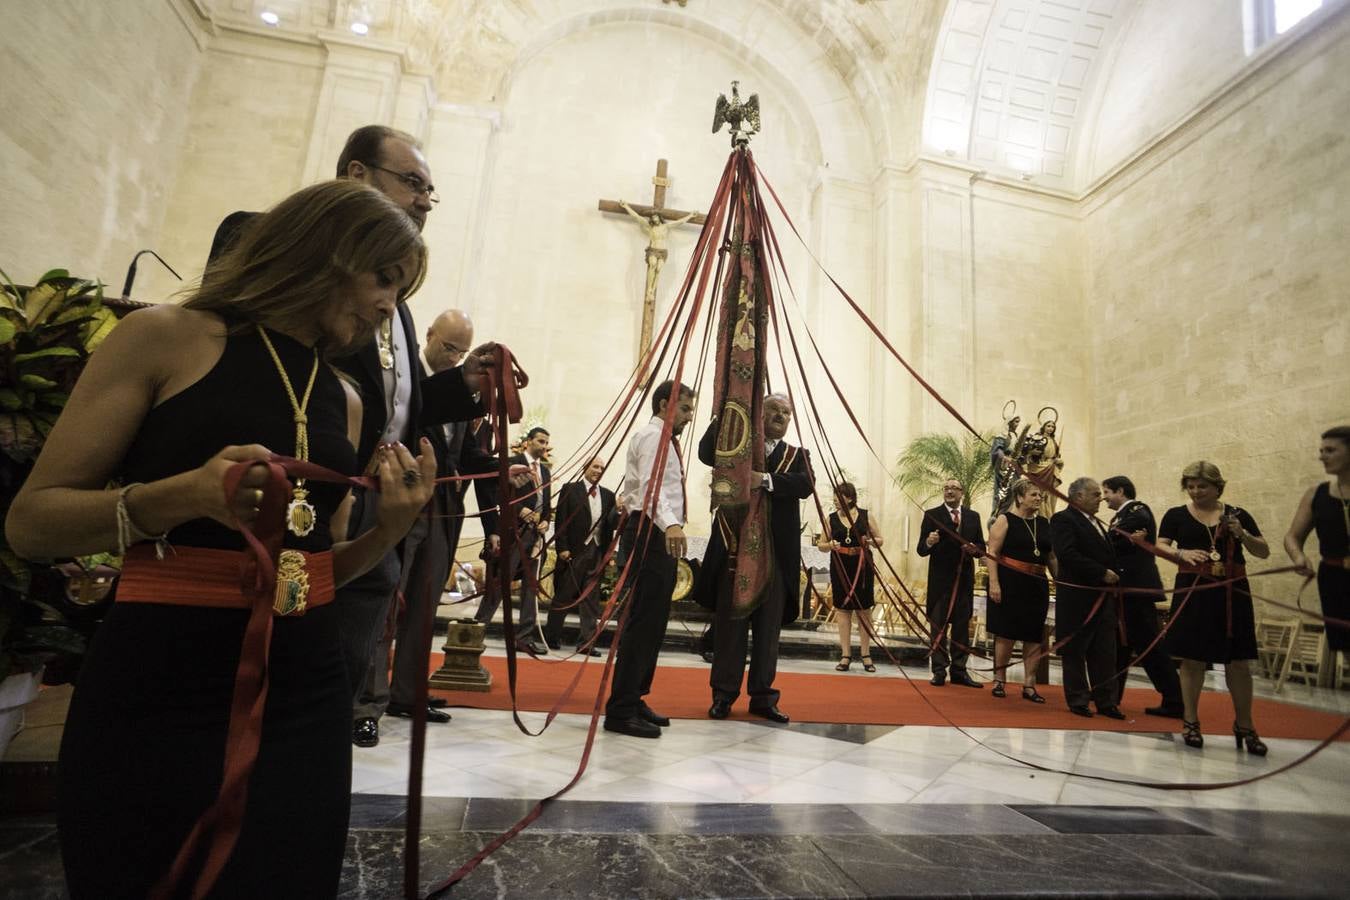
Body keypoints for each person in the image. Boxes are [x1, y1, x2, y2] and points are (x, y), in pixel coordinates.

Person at [4, 181, 437, 898]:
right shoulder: (166, 337)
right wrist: (183, 495)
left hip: (305, 691)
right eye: (383, 278)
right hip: (160, 674)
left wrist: (391, 526)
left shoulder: (347, 399)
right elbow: (32, 522)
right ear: (324, 252)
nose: (390, 304)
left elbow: (311, 570)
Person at [208, 124, 495, 750]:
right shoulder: (257, 236)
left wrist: (463, 383)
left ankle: (326, 733)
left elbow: (400, 402)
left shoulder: (398, 297)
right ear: (358, 175)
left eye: (431, 192)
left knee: (341, 647)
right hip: (286, 486)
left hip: (376, 492)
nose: (424, 200)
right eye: (413, 183)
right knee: (265, 655)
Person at [358, 309, 499, 730]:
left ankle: (407, 694)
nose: (453, 357)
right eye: (448, 347)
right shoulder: (407, 383)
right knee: (387, 601)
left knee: (422, 607)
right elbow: (413, 415)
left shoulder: (458, 396)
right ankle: (367, 701)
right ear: (430, 335)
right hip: (401, 504)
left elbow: (462, 453)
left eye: (460, 351)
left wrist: (500, 466)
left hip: (442, 511)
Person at [698, 393, 814, 722]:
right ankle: (723, 695)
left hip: (775, 558)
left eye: (786, 412)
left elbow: (805, 485)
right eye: (774, 410)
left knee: (767, 633)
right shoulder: (739, 447)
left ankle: (763, 697)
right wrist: (725, 413)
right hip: (735, 551)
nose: (781, 416)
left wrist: (763, 480)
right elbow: (706, 454)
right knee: (730, 629)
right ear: (759, 414)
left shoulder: (797, 455)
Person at [1157, 460, 1270, 754]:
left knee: (1238, 661)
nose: (1196, 491)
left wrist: (1241, 533)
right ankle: (1191, 721)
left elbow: (1263, 550)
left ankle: (1245, 725)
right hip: (1194, 592)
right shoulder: (1176, 515)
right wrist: (1181, 552)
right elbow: (1161, 545)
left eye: (1202, 486)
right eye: (1191, 486)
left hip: (1232, 593)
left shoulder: (1237, 514)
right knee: (1192, 660)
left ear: (1217, 486)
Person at [603, 380, 694, 738]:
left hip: (656, 530)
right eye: (684, 408)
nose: (689, 415)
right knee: (642, 621)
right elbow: (651, 489)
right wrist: (671, 524)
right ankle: (621, 709)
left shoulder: (664, 439)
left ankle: (635, 695)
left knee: (655, 621)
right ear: (663, 405)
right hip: (650, 531)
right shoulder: (654, 436)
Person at [1102, 475, 1184, 717]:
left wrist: (1106, 540)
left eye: (1106, 492)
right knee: (1120, 645)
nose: (1104, 497)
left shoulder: (1138, 510)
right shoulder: (1121, 517)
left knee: (1149, 645)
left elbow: (1114, 540)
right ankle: (1111, 697)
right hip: (1123, 591)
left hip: (1136, 590)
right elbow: (1117, 540)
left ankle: (1175, 699)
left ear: (1120, 491)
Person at [1049, 477, 1124, 719]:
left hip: (1103, 598)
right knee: (1075, 650)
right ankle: (1078, 699)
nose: (1100, 498)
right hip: (1078, 597)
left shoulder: (1098, 523)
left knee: (1104, 651)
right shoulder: (1063, 519)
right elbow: (1067, 554)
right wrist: (1101, 572)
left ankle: (1106, 701)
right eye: (1094, 494)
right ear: (1078, 496)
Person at [475, 425, 552, 654]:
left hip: (535, 535)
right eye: (540, 441)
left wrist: (546, 520)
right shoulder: (511, 462)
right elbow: (498, 493)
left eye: (546, 443)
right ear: (528, 442)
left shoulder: (545, 471)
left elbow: (544, 502)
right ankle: (478, 629)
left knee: (531, 586)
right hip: (513, 532)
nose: (544, 446)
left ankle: (524, 637)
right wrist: (519, 510)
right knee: (500, 583)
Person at [984, 478, 1054, 702]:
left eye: (1039, 495)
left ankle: (1029, 684)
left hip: (1036, 584)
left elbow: (1050, 556)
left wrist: (1062, 581)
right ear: (1020, 497)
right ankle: (999, 679)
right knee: (1006, 633)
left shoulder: (1044, 523)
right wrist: (994, 583)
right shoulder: (1005, 520)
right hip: (1009, 582)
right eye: (1033, 494)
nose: (1038, 498)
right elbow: (992, 553)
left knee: (1034, 634)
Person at [1286, 426, 1350, 658]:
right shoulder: (1316, 493)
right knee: (1346, 646)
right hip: (1334, 578)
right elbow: (1293, 536)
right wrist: (1298, 556)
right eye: (1321, 450)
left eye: (1331, 450)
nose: (1322, 456)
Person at [916, 479, 986, 687]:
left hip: (964, 581)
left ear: (961, 492)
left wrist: (975, 549)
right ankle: (939, 671)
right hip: (940, 582)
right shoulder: (932, 515)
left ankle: (959, 671)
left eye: (953, 488)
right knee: (938, 626)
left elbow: (981, 546)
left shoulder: (973, 517)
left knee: (962, 628)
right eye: (946, 488)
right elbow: (921, 549)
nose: (949, 491)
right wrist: (929, 541)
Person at [544, 456, 617, 656]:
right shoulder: (570, 489)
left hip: (597, 551)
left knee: (591, 600)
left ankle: (586, 643)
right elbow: (561, 521)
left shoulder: (609, 495)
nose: (598, 470)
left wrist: (620, 512)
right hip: (574, 551)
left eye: (602, 468)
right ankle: (552, 636)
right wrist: (562, 548)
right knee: (564, 596)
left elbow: (611, 526)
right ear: (586, 467)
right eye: (595, 466)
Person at [816, 482, 884, 672]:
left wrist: (869, 541)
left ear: (850, 498)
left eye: (839, 497)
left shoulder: (865, 515)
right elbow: (821, 544)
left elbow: (880, 540)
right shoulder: (830, 518)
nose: (836, 500)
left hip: (862, 566)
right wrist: (830, 545)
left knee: (864, 608)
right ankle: (845, 654)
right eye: (834, 497)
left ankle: (866, 654)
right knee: (842, 608)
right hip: (840, 565)